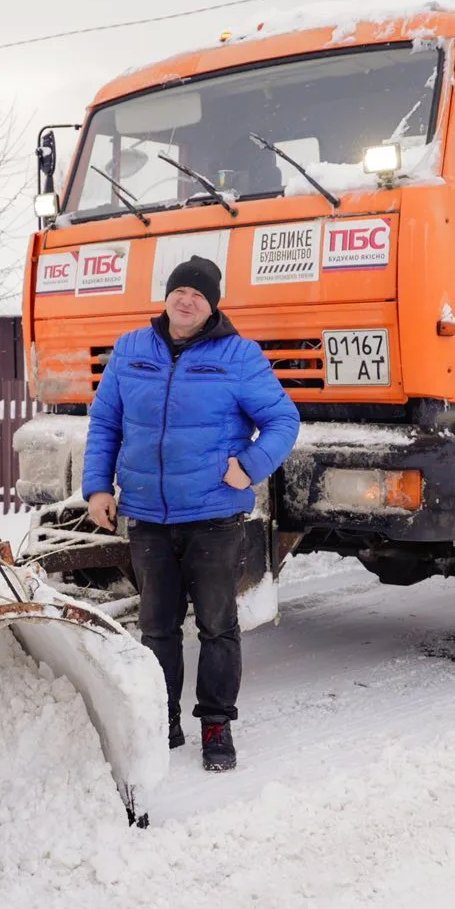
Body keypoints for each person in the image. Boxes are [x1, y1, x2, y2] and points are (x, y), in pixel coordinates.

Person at [82, 256, 300, 773]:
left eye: (199, 295)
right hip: (148, 517)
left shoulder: (239, 355)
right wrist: (97, 488)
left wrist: (249, 467)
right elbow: (106, 421)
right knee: (156, 627)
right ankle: (163, 720)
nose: (187, 300)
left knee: (216, 626)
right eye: (180, 290)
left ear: (212, 305)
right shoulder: (131, 349)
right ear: (167, 296)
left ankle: (216, 723)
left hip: (212, 515)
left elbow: (282, 421)